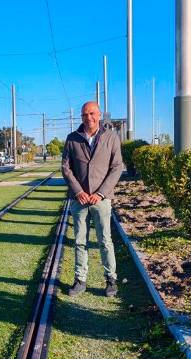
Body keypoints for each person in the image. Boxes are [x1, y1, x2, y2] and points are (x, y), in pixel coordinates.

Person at [61, 101, 124, 297]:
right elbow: (65, 168)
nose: (88, 118)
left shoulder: (111, 137)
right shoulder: (72, 139)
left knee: (105, 240)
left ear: (99, 115)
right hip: (78, 200)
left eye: (92, 114)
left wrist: (100, 193)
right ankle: (80, 280)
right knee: (80, 241)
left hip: (101, 199)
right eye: (85, 115)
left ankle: (110, 280)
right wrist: (79, 191)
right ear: (81, 117)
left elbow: (116, 167)